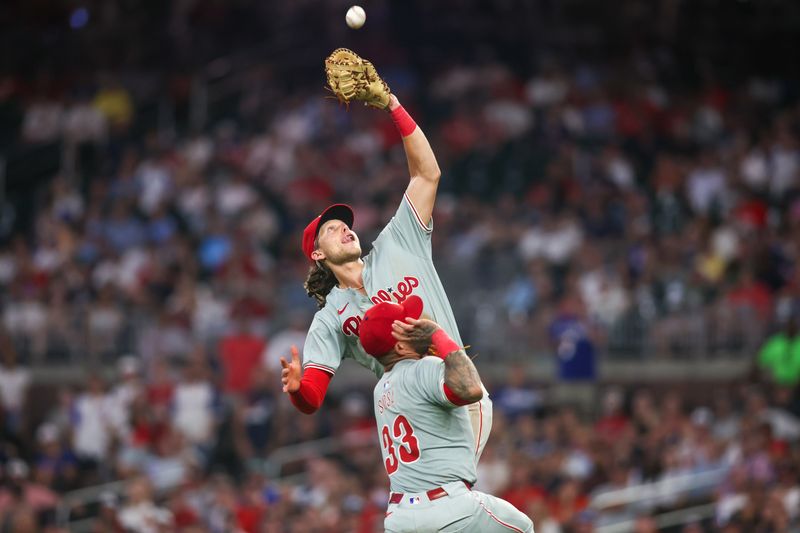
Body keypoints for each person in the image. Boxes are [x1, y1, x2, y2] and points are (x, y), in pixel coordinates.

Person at [280, 61, 492, 461]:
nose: (345, 228)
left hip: (456, 385)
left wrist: (393, 105)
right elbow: (313, 395)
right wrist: (296, 391)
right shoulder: (331, 317)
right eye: (332, 229)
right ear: (318, 254)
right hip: (409, 403)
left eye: (346, 224)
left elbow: (427, 175)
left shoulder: (397, 242)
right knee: (435, 507)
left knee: (444, 501)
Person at [352, 295, 532, 532]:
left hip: (399, 517)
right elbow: (470, 389)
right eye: (408, 324)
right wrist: (438, 335)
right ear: (400, 346)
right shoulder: (422, 368)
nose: (417, 324)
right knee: (523, 527)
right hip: (447, 507)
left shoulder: (380, 390)